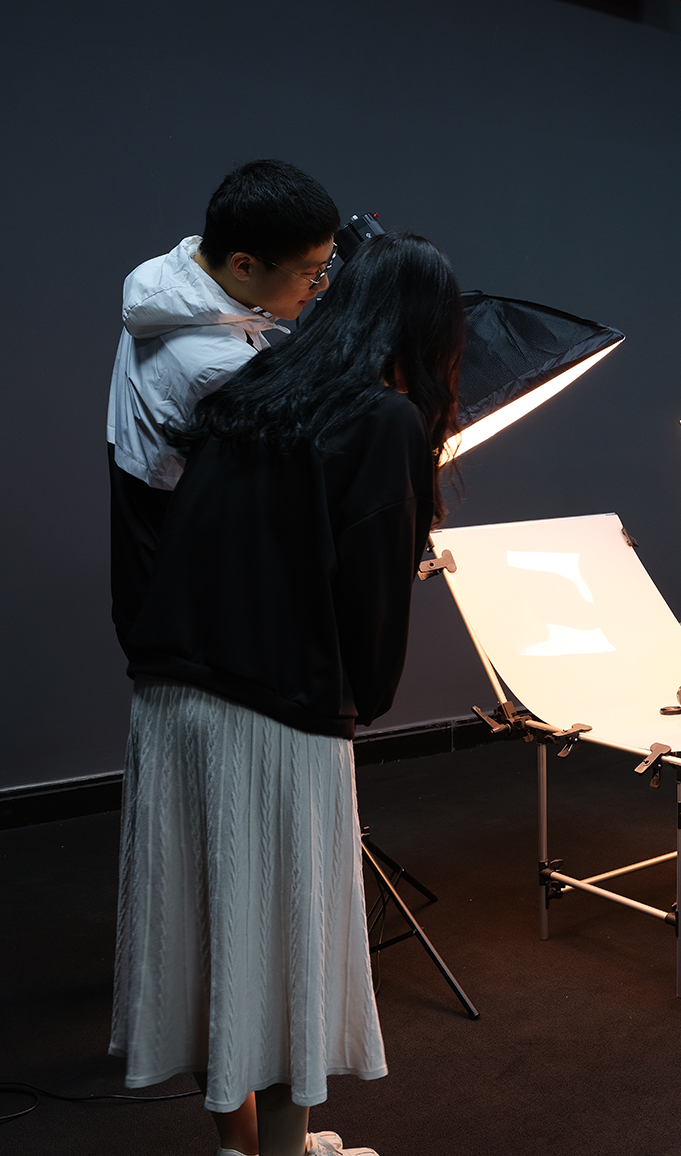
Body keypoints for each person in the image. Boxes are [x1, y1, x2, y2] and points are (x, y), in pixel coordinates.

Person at [111, 233, 464, 1156]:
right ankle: (284, 1154)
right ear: (427, 329)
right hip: (274, 710)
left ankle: (241, 1147)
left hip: (170, 694)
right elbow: (370, 598)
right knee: (284, 943)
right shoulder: (384, 420)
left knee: (204, 934)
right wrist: (362, 698)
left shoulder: (253, 383)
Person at [107, 159, 340, 657]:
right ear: (243, 266)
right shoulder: (217, 366)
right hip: (187, 592)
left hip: (152, 548)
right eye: (311, 273)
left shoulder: (169, 278)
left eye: (328, 264)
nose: (322, 286)